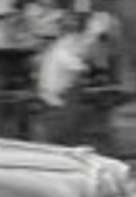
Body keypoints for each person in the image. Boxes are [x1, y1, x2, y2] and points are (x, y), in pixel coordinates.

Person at [36, 12, 94, 146]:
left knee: (62, 137)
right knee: (64, 137)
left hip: (54, 99)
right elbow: (79, 68)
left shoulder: (56, 49)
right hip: (57, 101)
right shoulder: (61, 51)